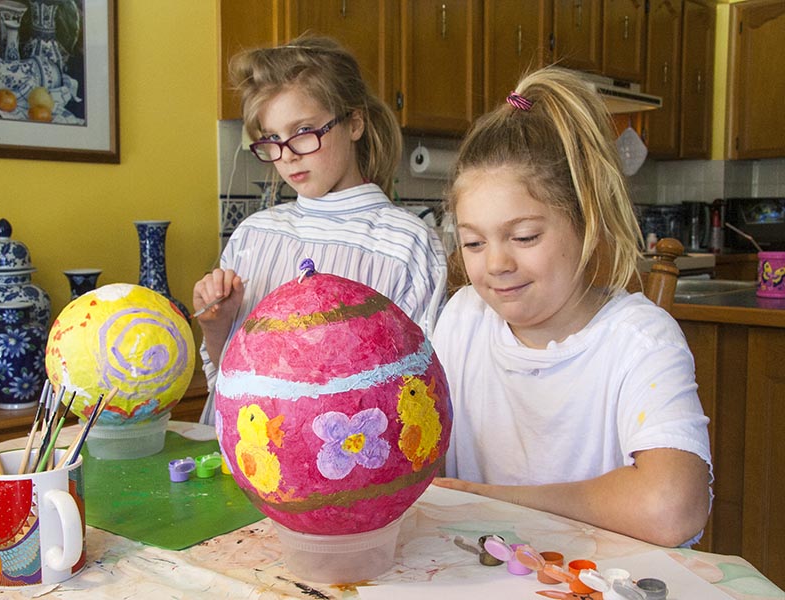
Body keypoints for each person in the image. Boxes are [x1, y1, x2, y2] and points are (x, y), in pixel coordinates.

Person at [431, 66, 712, 548]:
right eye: (474, 242)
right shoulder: (463, 319)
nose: (496, 264)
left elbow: (673, 507)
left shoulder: (638, 339)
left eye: (524, 237)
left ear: (588, 222)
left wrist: (494, 501)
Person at [193, 35, 447, 425]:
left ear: (354, 123)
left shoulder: (405, 243)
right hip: (236, 452)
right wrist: (217, 324)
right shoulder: (253, 236)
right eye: (273, 138)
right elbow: (227, 385)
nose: (288, 154)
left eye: (304, 130)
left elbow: (420, 392)